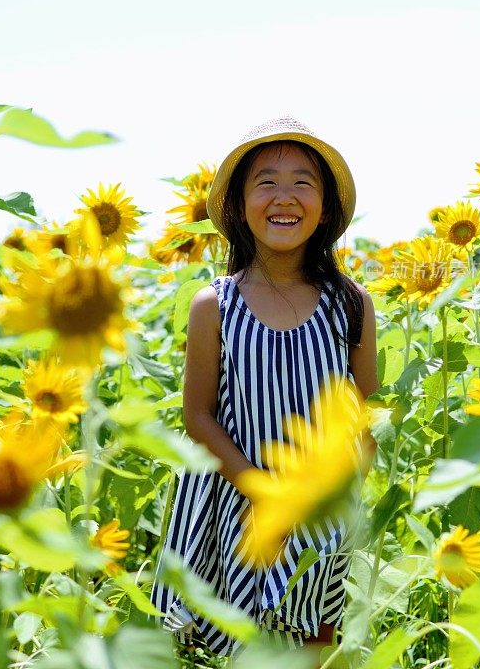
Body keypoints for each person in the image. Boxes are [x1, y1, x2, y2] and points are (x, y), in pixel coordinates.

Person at [151, 116, 379, 659]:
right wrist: (261, 488)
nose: (285, 196)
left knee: (314, 640)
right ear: (238, 203)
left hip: (321, 509)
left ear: (324, 206)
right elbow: (198, 415)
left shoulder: (350, 303)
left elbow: (368, 412)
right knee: (239, 642)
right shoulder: (215, 304)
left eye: (304, 182)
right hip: (235, 502)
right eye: (266, 181)